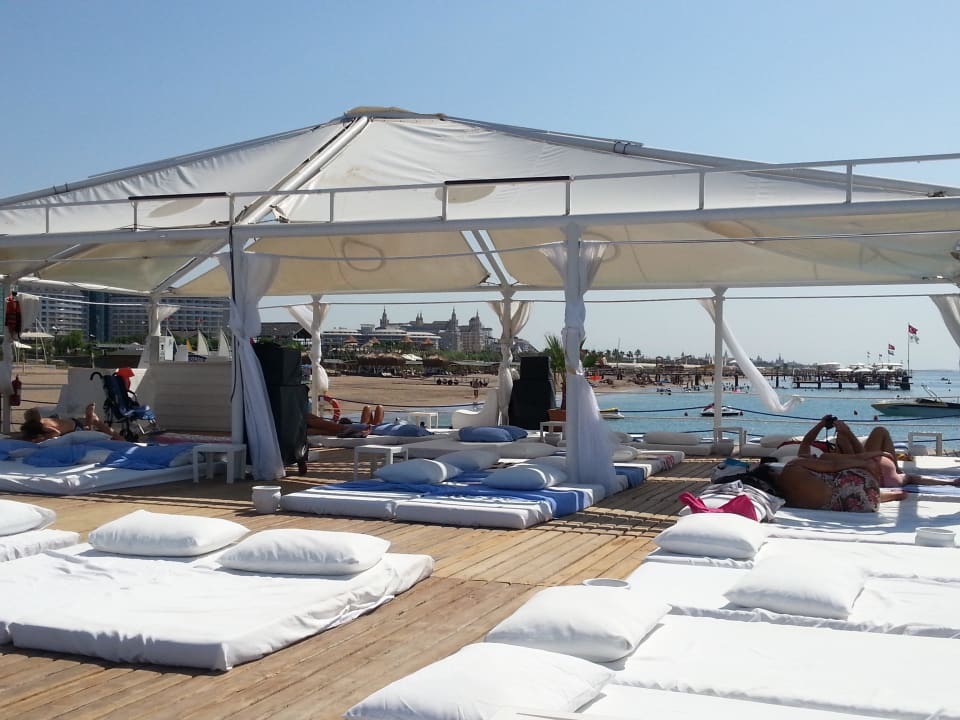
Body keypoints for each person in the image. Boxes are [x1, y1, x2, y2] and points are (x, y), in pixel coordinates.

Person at [772, 415, 959, 512]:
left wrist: (822, 425)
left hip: (877, 474)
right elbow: (860, 460)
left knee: (865, 438)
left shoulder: (809, 464)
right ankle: (949, 482)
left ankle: (949, 482)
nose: (814, 456)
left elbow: (806, 442)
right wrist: (879, 452)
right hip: (873, 471)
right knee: (876, 433)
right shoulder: (825, 461)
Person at [20, 404, 122, 442]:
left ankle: (90, 419)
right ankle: (90, 419)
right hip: (70, 422)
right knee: (91, 427)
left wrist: (43, 438)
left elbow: (56, 433)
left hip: (74, 427)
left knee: (91, 429)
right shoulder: (42, 421)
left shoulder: (43, 426)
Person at [305, 405, 384, 437]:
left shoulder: (310, 425)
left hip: (346, 428)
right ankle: (375, 424)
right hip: (348, 429)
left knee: (368, 409)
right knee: (377, 409)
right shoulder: (310, 428)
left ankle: (374, 424)